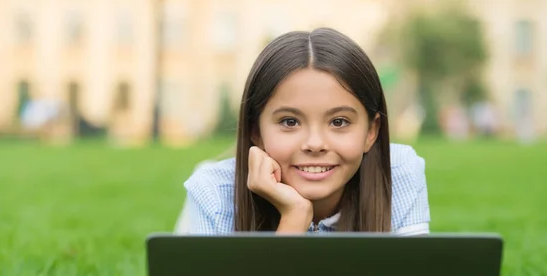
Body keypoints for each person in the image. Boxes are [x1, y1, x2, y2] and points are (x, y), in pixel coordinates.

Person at [175, 28, 430, 236]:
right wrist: (294, 217)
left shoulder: (399, 172)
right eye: (290, 121)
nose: (315, 143)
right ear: (256, 131)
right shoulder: (214, 193)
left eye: (339, 122)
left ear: (371, 132)